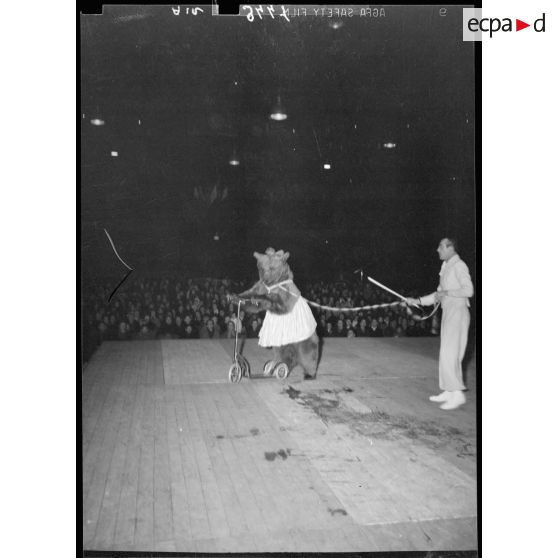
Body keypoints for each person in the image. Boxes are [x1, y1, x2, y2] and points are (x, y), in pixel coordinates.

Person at [406, 238, 473, 410]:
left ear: (451, 248)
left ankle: (457, 394)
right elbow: (437, 296)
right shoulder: (446, 267)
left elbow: (468, 290)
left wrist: (447, 292)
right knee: (446, 353)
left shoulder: (459, 265)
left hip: (458, 312)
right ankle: (449, 391)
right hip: (449, 313)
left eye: (441, 247)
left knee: (451, 353)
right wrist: (417, 300)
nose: (437, 250)